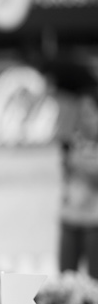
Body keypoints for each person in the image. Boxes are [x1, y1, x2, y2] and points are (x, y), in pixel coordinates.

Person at [43, 56, 98, 278]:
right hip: (69, 218)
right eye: (81, 113)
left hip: (94, 221)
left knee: (95, 283)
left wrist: (77, 161)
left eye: (89, 114)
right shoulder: (72, 140)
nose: (84, 119)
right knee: (65, 280)